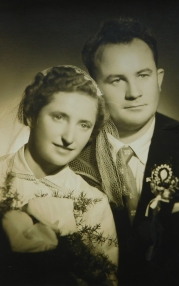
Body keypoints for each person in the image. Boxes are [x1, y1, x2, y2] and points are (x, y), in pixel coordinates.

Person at [69, 18, 179, 285]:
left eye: (143, 75)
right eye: (117, 80)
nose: (134, 92)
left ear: (159, 79)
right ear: (93, 90)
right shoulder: (70, 158)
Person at [0, 65, 118, 285]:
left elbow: (106, 279)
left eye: (84, 125)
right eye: (59, 117)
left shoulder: (94, 203)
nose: (69, 137)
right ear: (32, 115)